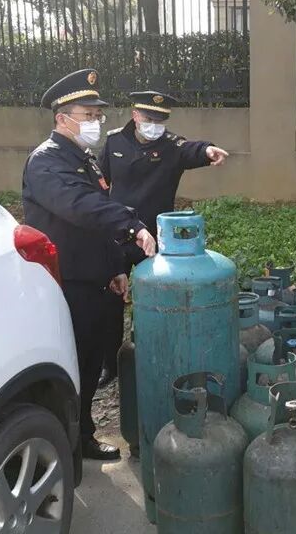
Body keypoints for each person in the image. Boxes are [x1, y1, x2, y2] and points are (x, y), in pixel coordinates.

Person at [22, 69, 157, 461]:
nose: (95, 122)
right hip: (68, 281)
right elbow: (82, 207)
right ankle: (69, 443)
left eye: (98, 115)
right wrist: (133, 226)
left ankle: (81, 434)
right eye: (87, 115)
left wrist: (115, 267)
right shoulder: (46, 162)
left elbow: (98, 219)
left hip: (94, 278)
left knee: (91, 361)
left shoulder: (81, 158)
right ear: (62, 118)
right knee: (73, 364)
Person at [96, 90, 229, 389]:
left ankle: (149, 356)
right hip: (117, 234)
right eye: (149, 118)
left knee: (152, 299)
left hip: (153, 238)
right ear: (135, 115)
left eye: (160, 120)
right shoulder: (115, 141)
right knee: (111, 301)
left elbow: (190, 149)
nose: (154, 125)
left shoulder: (171, 146)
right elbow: (101, 183)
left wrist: (208, 150)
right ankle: (111, 364)